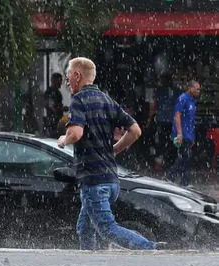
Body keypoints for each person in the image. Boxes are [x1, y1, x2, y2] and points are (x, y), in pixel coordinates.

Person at [58, 57, 157, 251]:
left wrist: (64, 139)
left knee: (107, 229)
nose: (67, 80)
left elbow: (76, 133)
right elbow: (135, 130)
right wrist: (114, 150)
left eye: (68, 75)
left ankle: (150, 249)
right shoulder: (106, 100)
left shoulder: (78, 100)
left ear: (77, 75)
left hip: (93, 180)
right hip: (111, 180)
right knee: (84, 227)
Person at [167, 80, 201, 186]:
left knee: (186, 158)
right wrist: (180, 134)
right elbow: (177, 116)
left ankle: (183, 181)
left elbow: (190, 120)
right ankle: (171, 176)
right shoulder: (183, 99)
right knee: (185, 157)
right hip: (183, 133)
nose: (199, 91)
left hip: (189, 134)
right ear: (190, 88)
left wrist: (192, 137)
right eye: (197, 89)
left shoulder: (192, 101)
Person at [44, 72, 65, 137]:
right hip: (52, 122)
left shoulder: (58, 93)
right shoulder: (49, 92)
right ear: (54, 80)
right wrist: (61, 109)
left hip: (58, 121)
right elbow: (49, 106)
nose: (61, 83)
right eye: (59, 80)